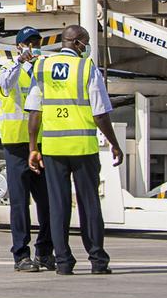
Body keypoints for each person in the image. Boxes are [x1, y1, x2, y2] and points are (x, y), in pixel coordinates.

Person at [27, 24, 123, 275]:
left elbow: (35, 112)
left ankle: (63, 262)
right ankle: (97, 261)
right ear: (79, 42)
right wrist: (114, 143)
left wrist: (33, 147)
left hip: (53, 147)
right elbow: (100, 112)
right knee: (89, 204)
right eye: (87, 41)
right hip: (82, 148)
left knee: (58, 206)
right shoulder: (86, 67)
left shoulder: (42, 67)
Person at [0, 27, 54, 272]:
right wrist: (19, 62)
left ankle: (44, 251)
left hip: (43, 143)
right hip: (17, 144)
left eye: (36, 42)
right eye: (28, 43)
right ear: (19, 46)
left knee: (48, 201)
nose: (33, 46)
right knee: (20, 204)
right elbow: (5, 86)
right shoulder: (7, 69)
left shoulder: (44, 69)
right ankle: (21, 254)